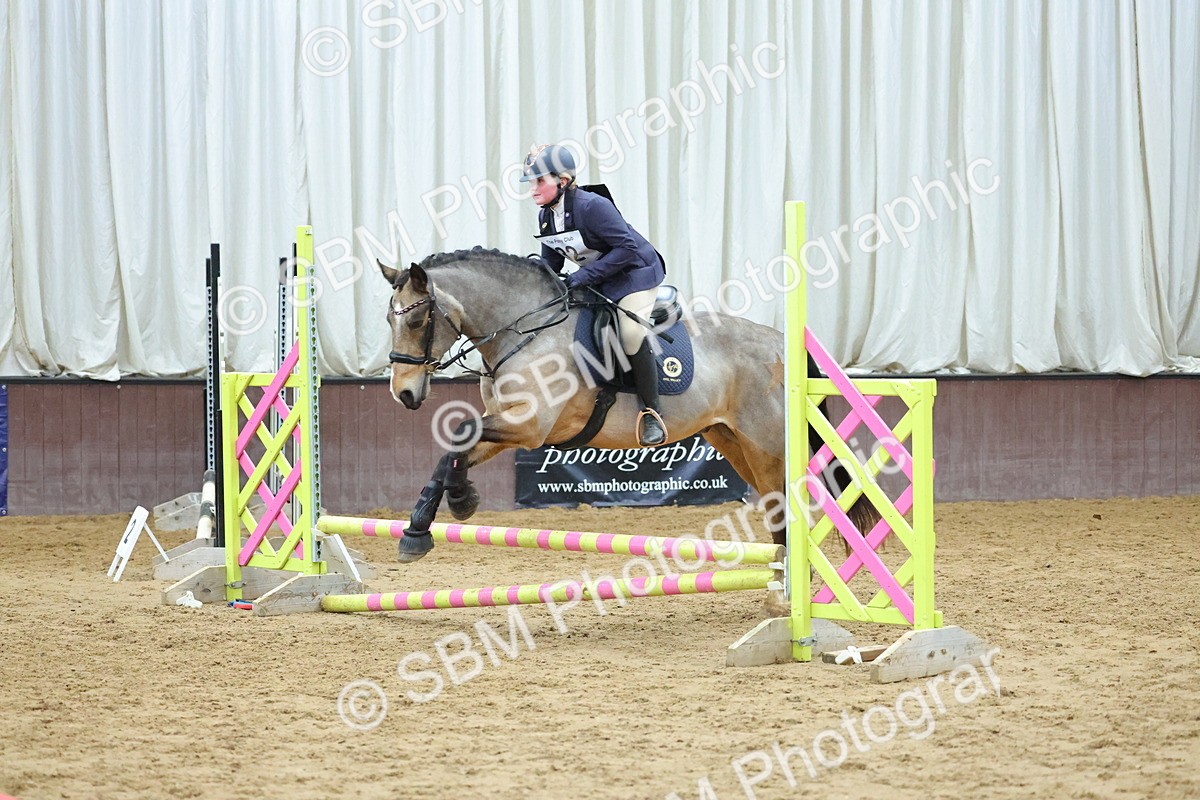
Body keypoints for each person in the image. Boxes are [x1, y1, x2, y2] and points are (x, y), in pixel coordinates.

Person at [520, 142, 667, 447]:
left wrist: (581, 277)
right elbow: (552, 263)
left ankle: (652, 412)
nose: (532, 189)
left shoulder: (591, 206)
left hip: (635, 273)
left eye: (538, 181)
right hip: (601, 278)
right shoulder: (546, 216)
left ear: (562, 182)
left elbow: (626, 249)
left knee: (629, 332)